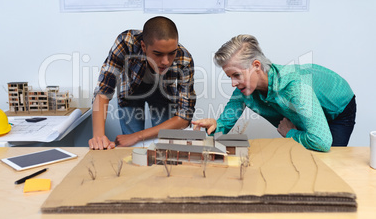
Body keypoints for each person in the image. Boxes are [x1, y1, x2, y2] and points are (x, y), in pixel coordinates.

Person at [192, 34, 356, 152]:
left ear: (256, 66)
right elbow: (224, 124)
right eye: (229, 77)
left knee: (327, 162)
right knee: (305, 159)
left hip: (337, 109)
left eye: (236, 75)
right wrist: (215, 126)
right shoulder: (244, 90)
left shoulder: (294, 87)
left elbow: (321, 141)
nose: (233, 83)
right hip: (305, 108)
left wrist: (290, 133)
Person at [89, 16, 196, 150]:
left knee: (164, 144)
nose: (166, 61)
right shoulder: (126, 43)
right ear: (144, 46)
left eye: (171, 54)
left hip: (163, 92)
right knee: (131, 147)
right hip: (131, 90)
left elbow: (184, 117)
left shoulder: (184, 59)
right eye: (158, 54)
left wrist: (138, 136)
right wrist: (98, 136)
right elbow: (103, 91)